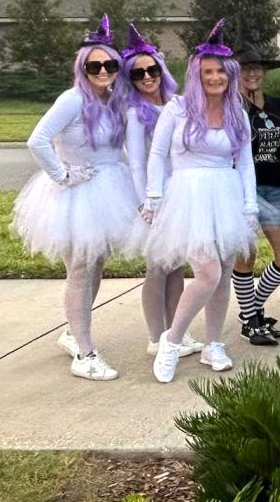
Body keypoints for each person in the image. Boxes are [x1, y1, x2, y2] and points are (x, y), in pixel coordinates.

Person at [13, 15, 143, 381]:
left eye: (109, 64)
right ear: (82, 68)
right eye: (94, 65)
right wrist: (62, 175)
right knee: (81, 269)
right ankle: (85, 353)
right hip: (77, 193)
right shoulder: (72, 100)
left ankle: (73, 332)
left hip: (109, 187)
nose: (103, 70)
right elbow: (36, 140)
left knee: (96, 265)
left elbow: (123, 149)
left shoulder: (114, 102)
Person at [144, 20, 258, 383]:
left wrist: (250, 204)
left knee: (223, 274)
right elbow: (157, 153)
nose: (215, 77)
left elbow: (245, 162)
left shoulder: (237, 111)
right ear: (197, 74)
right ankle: (172, 340)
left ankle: (213, 344)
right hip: (188, 194)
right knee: (206, 272)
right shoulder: (177, 109)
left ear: (230, 75)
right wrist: (154, 195)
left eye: (221, 72)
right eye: (208, 71)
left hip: (226, 192)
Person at [119, 23, 203, 360]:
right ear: (130, 78)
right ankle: (157, 337)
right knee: (157, 268)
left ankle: (174, 332)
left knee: (175, 267)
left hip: (180, 192)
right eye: (139, 74)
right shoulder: (135, 113)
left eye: (152, 69)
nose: (147, 77)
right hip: (155, 198)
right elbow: (138, 163)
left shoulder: (177, 104)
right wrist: (146, 203)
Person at [229, 44, 280, 347]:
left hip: (272, 187)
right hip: (239, 189)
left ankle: (251, 311)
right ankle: (252, 321)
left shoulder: (279, 106)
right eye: (246, 69)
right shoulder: (228, 107)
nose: (253, 73)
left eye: (258, 68)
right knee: (246, 255)